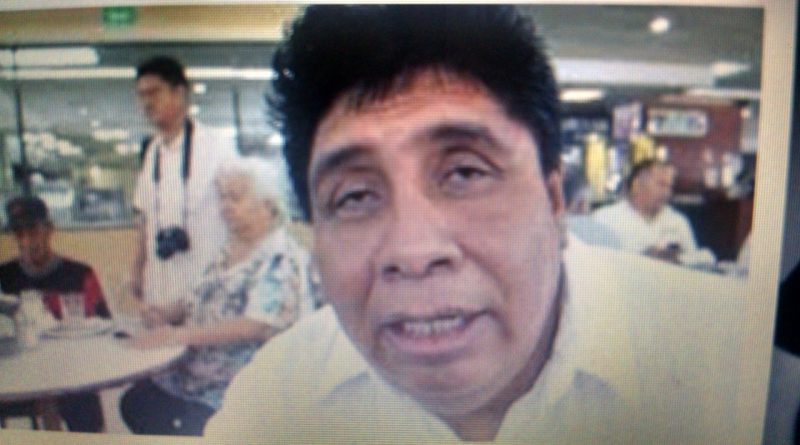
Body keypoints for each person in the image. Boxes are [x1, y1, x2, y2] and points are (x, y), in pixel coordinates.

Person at [205, 5, 746, 443]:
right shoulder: (276, 405)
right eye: (354, 196)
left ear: (555, 201)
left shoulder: (732, 364)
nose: (414, 252)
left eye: (465, 172)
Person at [120, 157, 316, 436]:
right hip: (193, 375)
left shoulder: (281, 258)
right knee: (135, 401)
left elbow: (256, 325)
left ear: (268, 205)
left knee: (149, 409)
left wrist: (179, 335)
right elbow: (197, 297)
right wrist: (165, 312)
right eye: (223, 198)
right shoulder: (229, 250)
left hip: (236, 390)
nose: (225, 207)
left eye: (235, 198)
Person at [130, 56, 238, 307]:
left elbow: (239, 216)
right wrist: (136, 269)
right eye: (141, 95)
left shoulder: (216, 146)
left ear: (179, 93)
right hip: (161, 287)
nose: (146, 103)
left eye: (154, 93)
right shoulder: (152, 151)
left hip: (207, 288)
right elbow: (145, 220)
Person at [0, 195, 110, 432]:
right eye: (18, 232)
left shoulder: (79, 275)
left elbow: (105, 331)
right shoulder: (4, 278)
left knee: (85, 407)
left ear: (49, 230)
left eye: (33, 230)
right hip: (21, 376)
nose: (26, 240)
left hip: (71, 372)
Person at [592, 159, 713, 265]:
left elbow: (696, 264)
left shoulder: (677, 221)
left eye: (669, 186)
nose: (666, 193)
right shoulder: (605, 218)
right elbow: (596, 264)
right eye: (661, 184)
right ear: (636, 185)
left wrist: (678, 258)